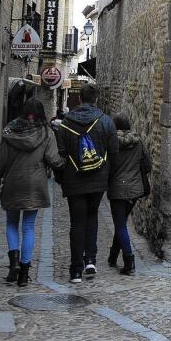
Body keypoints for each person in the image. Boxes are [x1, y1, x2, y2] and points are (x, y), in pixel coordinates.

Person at [0, 98, 63, 287]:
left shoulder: (10, 132)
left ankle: (13, 262)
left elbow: (0, 163)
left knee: (12, 223)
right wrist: (67, 164)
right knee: (28, 227)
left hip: (13, 183)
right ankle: (23, 273)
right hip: (35, 185)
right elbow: (54, 160)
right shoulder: (47, 132)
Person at [52, 83, 117, 283]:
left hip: (74, 179)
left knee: (76, 222)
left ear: (79, 99)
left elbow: (61, 155)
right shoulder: (106, 122)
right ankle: (90, 259)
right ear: (96, 99)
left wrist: (61, 178)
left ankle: (75, 270)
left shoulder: (65, 124)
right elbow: (113, 152)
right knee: (92, 216)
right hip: (98, 179)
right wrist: (107, 175)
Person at [106, 114, 151, 275]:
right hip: (134, 190)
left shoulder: (111, 142)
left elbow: (107, 167)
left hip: (118, 189)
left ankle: (129, 261)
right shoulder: (138, 141)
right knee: (122, 223)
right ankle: (113, 256)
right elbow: (147, 165)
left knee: (120, 225)